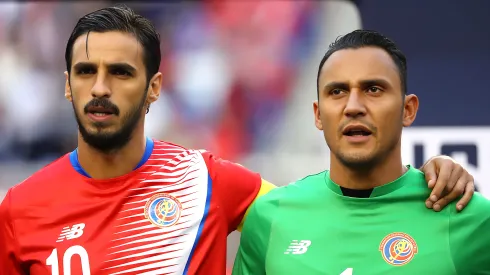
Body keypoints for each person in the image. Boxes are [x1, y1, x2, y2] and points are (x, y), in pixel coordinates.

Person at [0, 6, 476, 275]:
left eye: (121, 73)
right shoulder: (21, 210)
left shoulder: (208, 181)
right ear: (67, 84)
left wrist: (421, 178)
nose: (100, 88)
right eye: (86, 72)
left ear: (154, 87)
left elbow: (330, 207)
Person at [232, 29, 490, 275]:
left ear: (408, 110)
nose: (353, 106)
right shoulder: (269, 218)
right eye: (337, 91)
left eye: (373, 89)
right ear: (318, 114)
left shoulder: (472, 220)